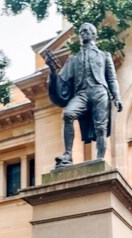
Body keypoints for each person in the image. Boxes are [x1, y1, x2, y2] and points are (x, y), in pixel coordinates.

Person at [46, 22, 123, 166]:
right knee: (68, 114)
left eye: (86, 31)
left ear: (94, 34)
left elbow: (112, 78)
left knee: (101, 127)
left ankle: (100, 158)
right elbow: (62, 80)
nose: (83, 33)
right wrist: (52, 69)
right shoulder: (73, 59)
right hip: (81, 93)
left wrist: (117, 97)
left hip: (99, 91)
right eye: (81, 32)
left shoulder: (104, 56)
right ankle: (68, 155)